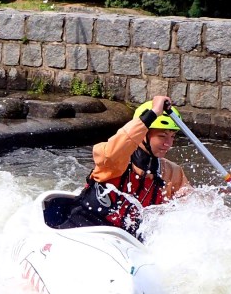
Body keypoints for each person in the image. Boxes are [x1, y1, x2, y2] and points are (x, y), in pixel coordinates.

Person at [58, 95, 189, 236]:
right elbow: (119, 144)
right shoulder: (115, 159)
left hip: (127, 242)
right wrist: (152, 114)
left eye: (172, 136)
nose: (168, 144)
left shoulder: (171, 172)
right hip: (84, 227)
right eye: (162, 136)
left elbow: (192, 205)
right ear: (143, 134)